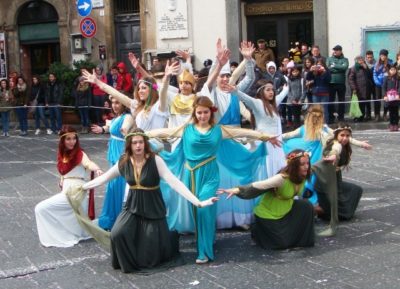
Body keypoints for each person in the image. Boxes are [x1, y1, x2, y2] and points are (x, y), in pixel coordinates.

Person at [147, 96, 279, 263]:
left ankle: (204, 251)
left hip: (210, 174)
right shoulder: (186, 129)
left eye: (206, 112)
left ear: (211, 112)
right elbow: (163, 132)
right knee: (197, 211)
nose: (203, 115)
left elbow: (243, 132)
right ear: (195, 113)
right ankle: (207, 239)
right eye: (199, 112)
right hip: (191, 174)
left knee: (205, 209)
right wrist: (142, 134)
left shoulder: (219, 130)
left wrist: (266, 136)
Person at [81, 128, 218, 271]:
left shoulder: (155, 160)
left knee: (150, 247)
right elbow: (104, 178)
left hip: (152, 207)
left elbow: (174, 182)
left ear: (145, 144)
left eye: (141, 142)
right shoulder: (124, 161)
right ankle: (127, 261)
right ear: (130, 145)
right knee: (117, 234)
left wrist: (199, 202)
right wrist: (83, 187)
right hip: (132, 207)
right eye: (134, 143)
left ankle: (166, 241)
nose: (138, 146)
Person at [218, 149, 315, 250]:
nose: (306, 167)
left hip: (285, 209)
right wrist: (237, 190)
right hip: (268, 214)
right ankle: (257, 231)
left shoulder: (304, 175)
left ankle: (301, 239)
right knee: (282, 244)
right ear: (294, 166)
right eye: (302, 164)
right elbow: (259, 185)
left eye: (307, 163)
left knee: (306, 206)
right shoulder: (281, 178)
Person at [34, 125, 103, 247]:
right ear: (62, 141)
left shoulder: (80, 153)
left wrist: (97, 168)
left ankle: (56, 236)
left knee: (40, 208)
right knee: (75, 224)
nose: (72, 141)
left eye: (74, 138)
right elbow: (64, 172)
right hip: (67, 191)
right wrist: (62, 179)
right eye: (68, 139)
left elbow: (88, 163)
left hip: (76, 192)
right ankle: (62, 234)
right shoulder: (62, 155)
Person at [312, 123, 369, 236]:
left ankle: (322, 210)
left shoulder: (342, 140)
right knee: (335, 208)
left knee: (356, 190)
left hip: (335, 177)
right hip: (326, 179)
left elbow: (351, 140)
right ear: (337, 135)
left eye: (347, 135)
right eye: (342, 135)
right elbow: (335, 150)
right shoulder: (336, 144)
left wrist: (362, 144)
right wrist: (333, 155)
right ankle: (315, 211)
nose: (345, 138)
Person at [225, 80, 288, 178]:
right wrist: (236, 91)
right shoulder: (258, 103)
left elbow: (282, 94)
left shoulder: (273, 103)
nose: (271, 92)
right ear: (261, 92)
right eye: (268, 90)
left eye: (272, 90)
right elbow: (246, 98)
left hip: (276, 144)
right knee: (265, 171)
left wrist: (286, 87)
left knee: (278, 167)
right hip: (265, 144)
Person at [91, 98, 133, 230]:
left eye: (117, 102)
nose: (114, 105)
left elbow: (125, 127)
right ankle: (113, 217)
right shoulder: (117, 117)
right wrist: (102, 129)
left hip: (121, 151)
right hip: (114, 151)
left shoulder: (128, 116)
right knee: (113, 185)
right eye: (113, 103)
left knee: (119, 184)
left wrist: (125, 130)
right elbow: (110, 126)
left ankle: (120, 218)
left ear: (124, 103)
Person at [326, 45, 349, 123]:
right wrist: (339, 68)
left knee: (341, 101)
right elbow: (328, 68)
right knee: (330, 101)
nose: (335, 51)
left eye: (337, 50)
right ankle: (331, 117)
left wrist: (334, 66)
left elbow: (345, 68)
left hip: (341, 83)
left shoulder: (345, 59)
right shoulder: (329, 59)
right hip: (331, 83)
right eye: (334, 50)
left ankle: (341, 117)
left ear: (340, 51)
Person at [348, 55, 373, 122]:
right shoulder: (353, 68)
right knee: (358, 104)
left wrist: (366, 68)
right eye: (359, 60)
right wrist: (354, 88)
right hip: (358, 89)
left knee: (363, 104)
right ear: (356, 61)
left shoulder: (365, 67)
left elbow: (370, 76)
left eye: (362, 59)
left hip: (366, 89)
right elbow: (351, 79)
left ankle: (363, 116)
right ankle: (357, 117)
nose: (361, 61)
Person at [306, 59, 331, 124]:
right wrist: (310, 71)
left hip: (324, 93)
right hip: (315, 93)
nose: (319, 66)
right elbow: (308, 78)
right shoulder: (314, 72)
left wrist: (324, 72)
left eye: (321, 64)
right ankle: (317, 124)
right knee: (316, 110)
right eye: (318, 65)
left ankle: (325, 124)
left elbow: (328, 80)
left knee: (324, 110)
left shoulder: (327, 71)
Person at [373, 49, 393, 121]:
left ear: (386, 56)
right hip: (378, 84)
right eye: (381, 55)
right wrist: (378, 82)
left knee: (386, 100)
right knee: (377, 99)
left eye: (384, 55)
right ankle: (377, 114)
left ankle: (385, 114)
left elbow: (392, 72)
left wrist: (387, 65)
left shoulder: (390, 62)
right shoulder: (377, 63)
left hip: (387, 84)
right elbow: (375, 74)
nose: (383, 57)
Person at [382, 65, 400, 131]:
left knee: (396, 112)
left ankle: (396, 124)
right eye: (391, 70)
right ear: (389, 70)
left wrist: (398, 94)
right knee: (391, 112)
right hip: (389, 99)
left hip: (396, 99)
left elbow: (399, 87)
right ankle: (391, 124)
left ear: (396, 70)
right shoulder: (386, 78)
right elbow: (384, 87)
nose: (393, 71)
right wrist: (385, 95)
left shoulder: (398, 78)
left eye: (394, 70)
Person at [364, 50, 376, 121]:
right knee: (367, 100)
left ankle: (376, 114)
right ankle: (368, 115)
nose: (369, 59)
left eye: (371, 57)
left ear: (373, 56)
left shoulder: (377, 63)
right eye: (368, 57)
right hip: (367, 85)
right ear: (366, 57)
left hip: (375, 84)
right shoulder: (364, 64)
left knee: (376, 99)